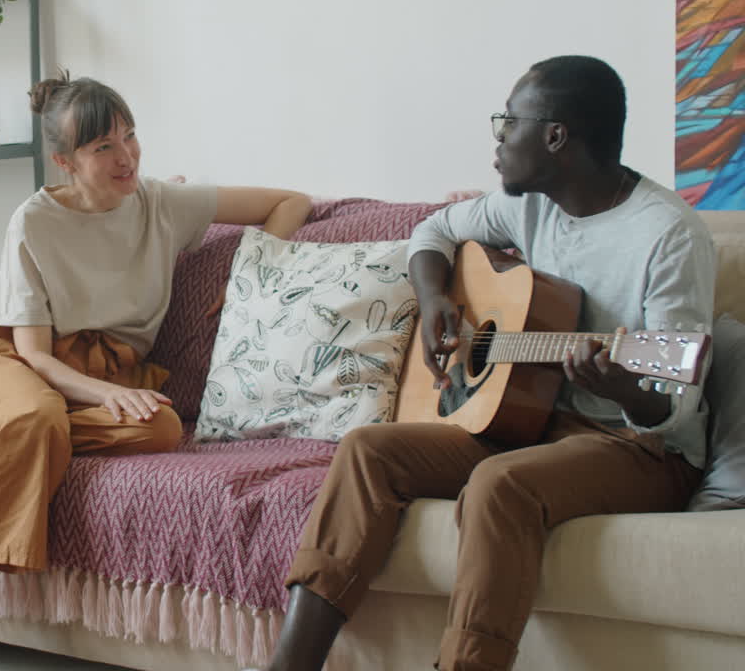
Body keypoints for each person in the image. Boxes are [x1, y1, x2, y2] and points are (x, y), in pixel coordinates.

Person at [254, 56, 716, 671]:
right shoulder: (526, 206)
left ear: (555, 137)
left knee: (500, 485)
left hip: (640, 446)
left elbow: (675, 401)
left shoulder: (669, 235)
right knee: (368, 449)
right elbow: (431, 233)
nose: (497, 139)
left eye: (508, 121)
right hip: (532, 424)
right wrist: (435, 298)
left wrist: (627, 389)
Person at [0, 72, 314, 670]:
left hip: (99, 373)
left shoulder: (160, 203)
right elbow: (37, 356)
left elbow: (290, 203)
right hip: (13, 361)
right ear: (64, 160)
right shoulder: (35, 221)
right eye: (103, 147)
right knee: (34, 414)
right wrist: (103, 392)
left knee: (161, 429)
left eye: (129, 137)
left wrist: (255, 275)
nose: (126, 156)